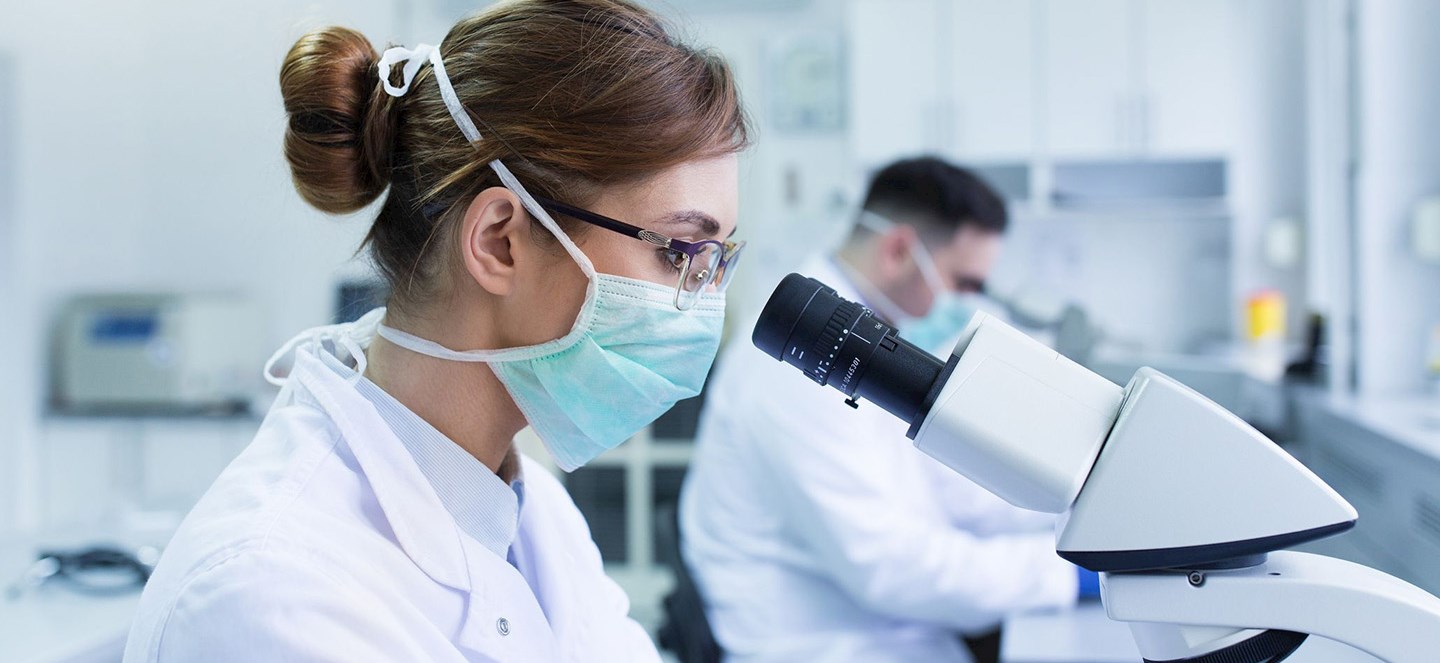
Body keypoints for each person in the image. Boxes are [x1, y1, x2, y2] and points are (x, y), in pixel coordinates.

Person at [124, 1, 749, 660]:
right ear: (501, 242)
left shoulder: (538, 520)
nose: (705, 303)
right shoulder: (270, 589)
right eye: (681, 252)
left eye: (719, 260)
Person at [680, 157, 1095, 663]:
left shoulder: (869, 343)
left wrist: (1078, 514)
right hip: (821, 647)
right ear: (900, 250)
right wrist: (1068, 576)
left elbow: (953, 493)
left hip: (890, 635)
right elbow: (888, 566)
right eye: (965, 283)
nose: (969, 303)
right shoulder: (799, 362)